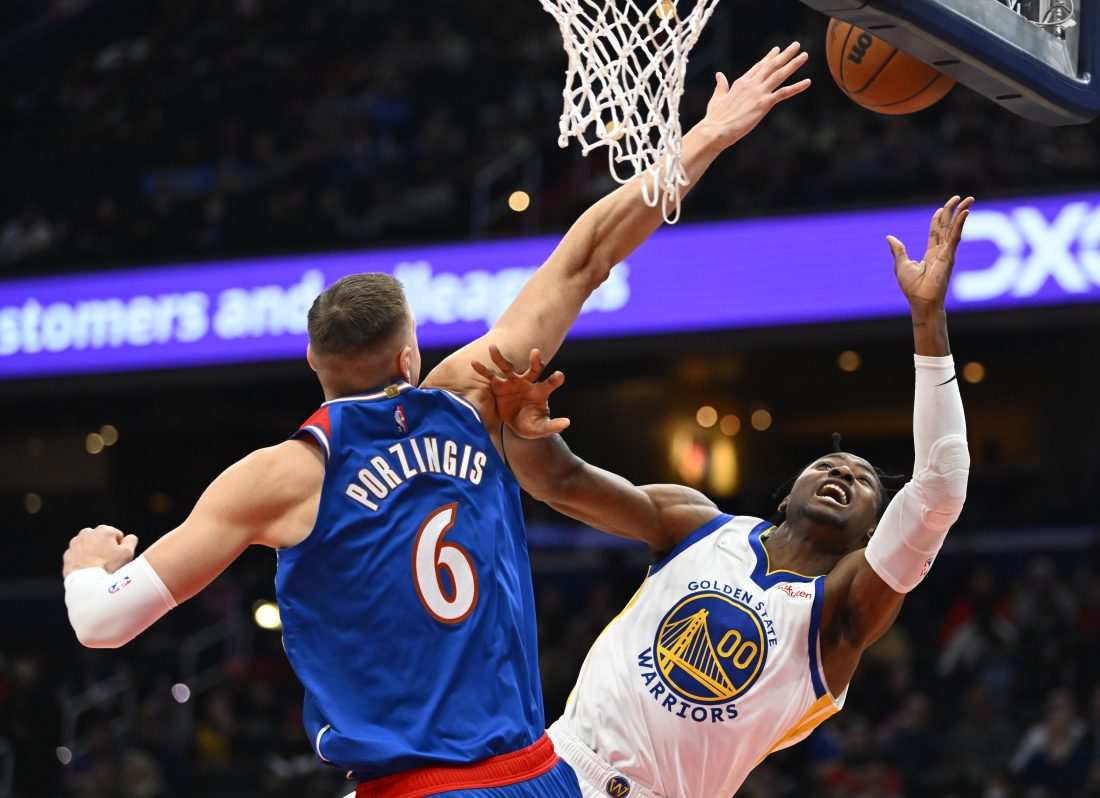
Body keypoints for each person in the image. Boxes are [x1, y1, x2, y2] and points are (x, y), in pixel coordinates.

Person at [59, 44, 812, 797]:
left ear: (316, 368)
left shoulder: (280, 477)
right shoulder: (469, 397)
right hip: (535, 778)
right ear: (409, 357)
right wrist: (706, 135)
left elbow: (102, 624)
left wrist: (87, 566)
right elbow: (585, 257)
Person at [474, 196, 973, 798]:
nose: (843, 475)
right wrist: (523, 428)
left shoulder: (842, 611)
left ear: (873, 533)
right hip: (549, 766)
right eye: (827, 465)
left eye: (864, 481)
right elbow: (562, 481)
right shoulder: (697, 524)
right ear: (785, 498)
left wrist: (928, 320)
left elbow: (940, 485)